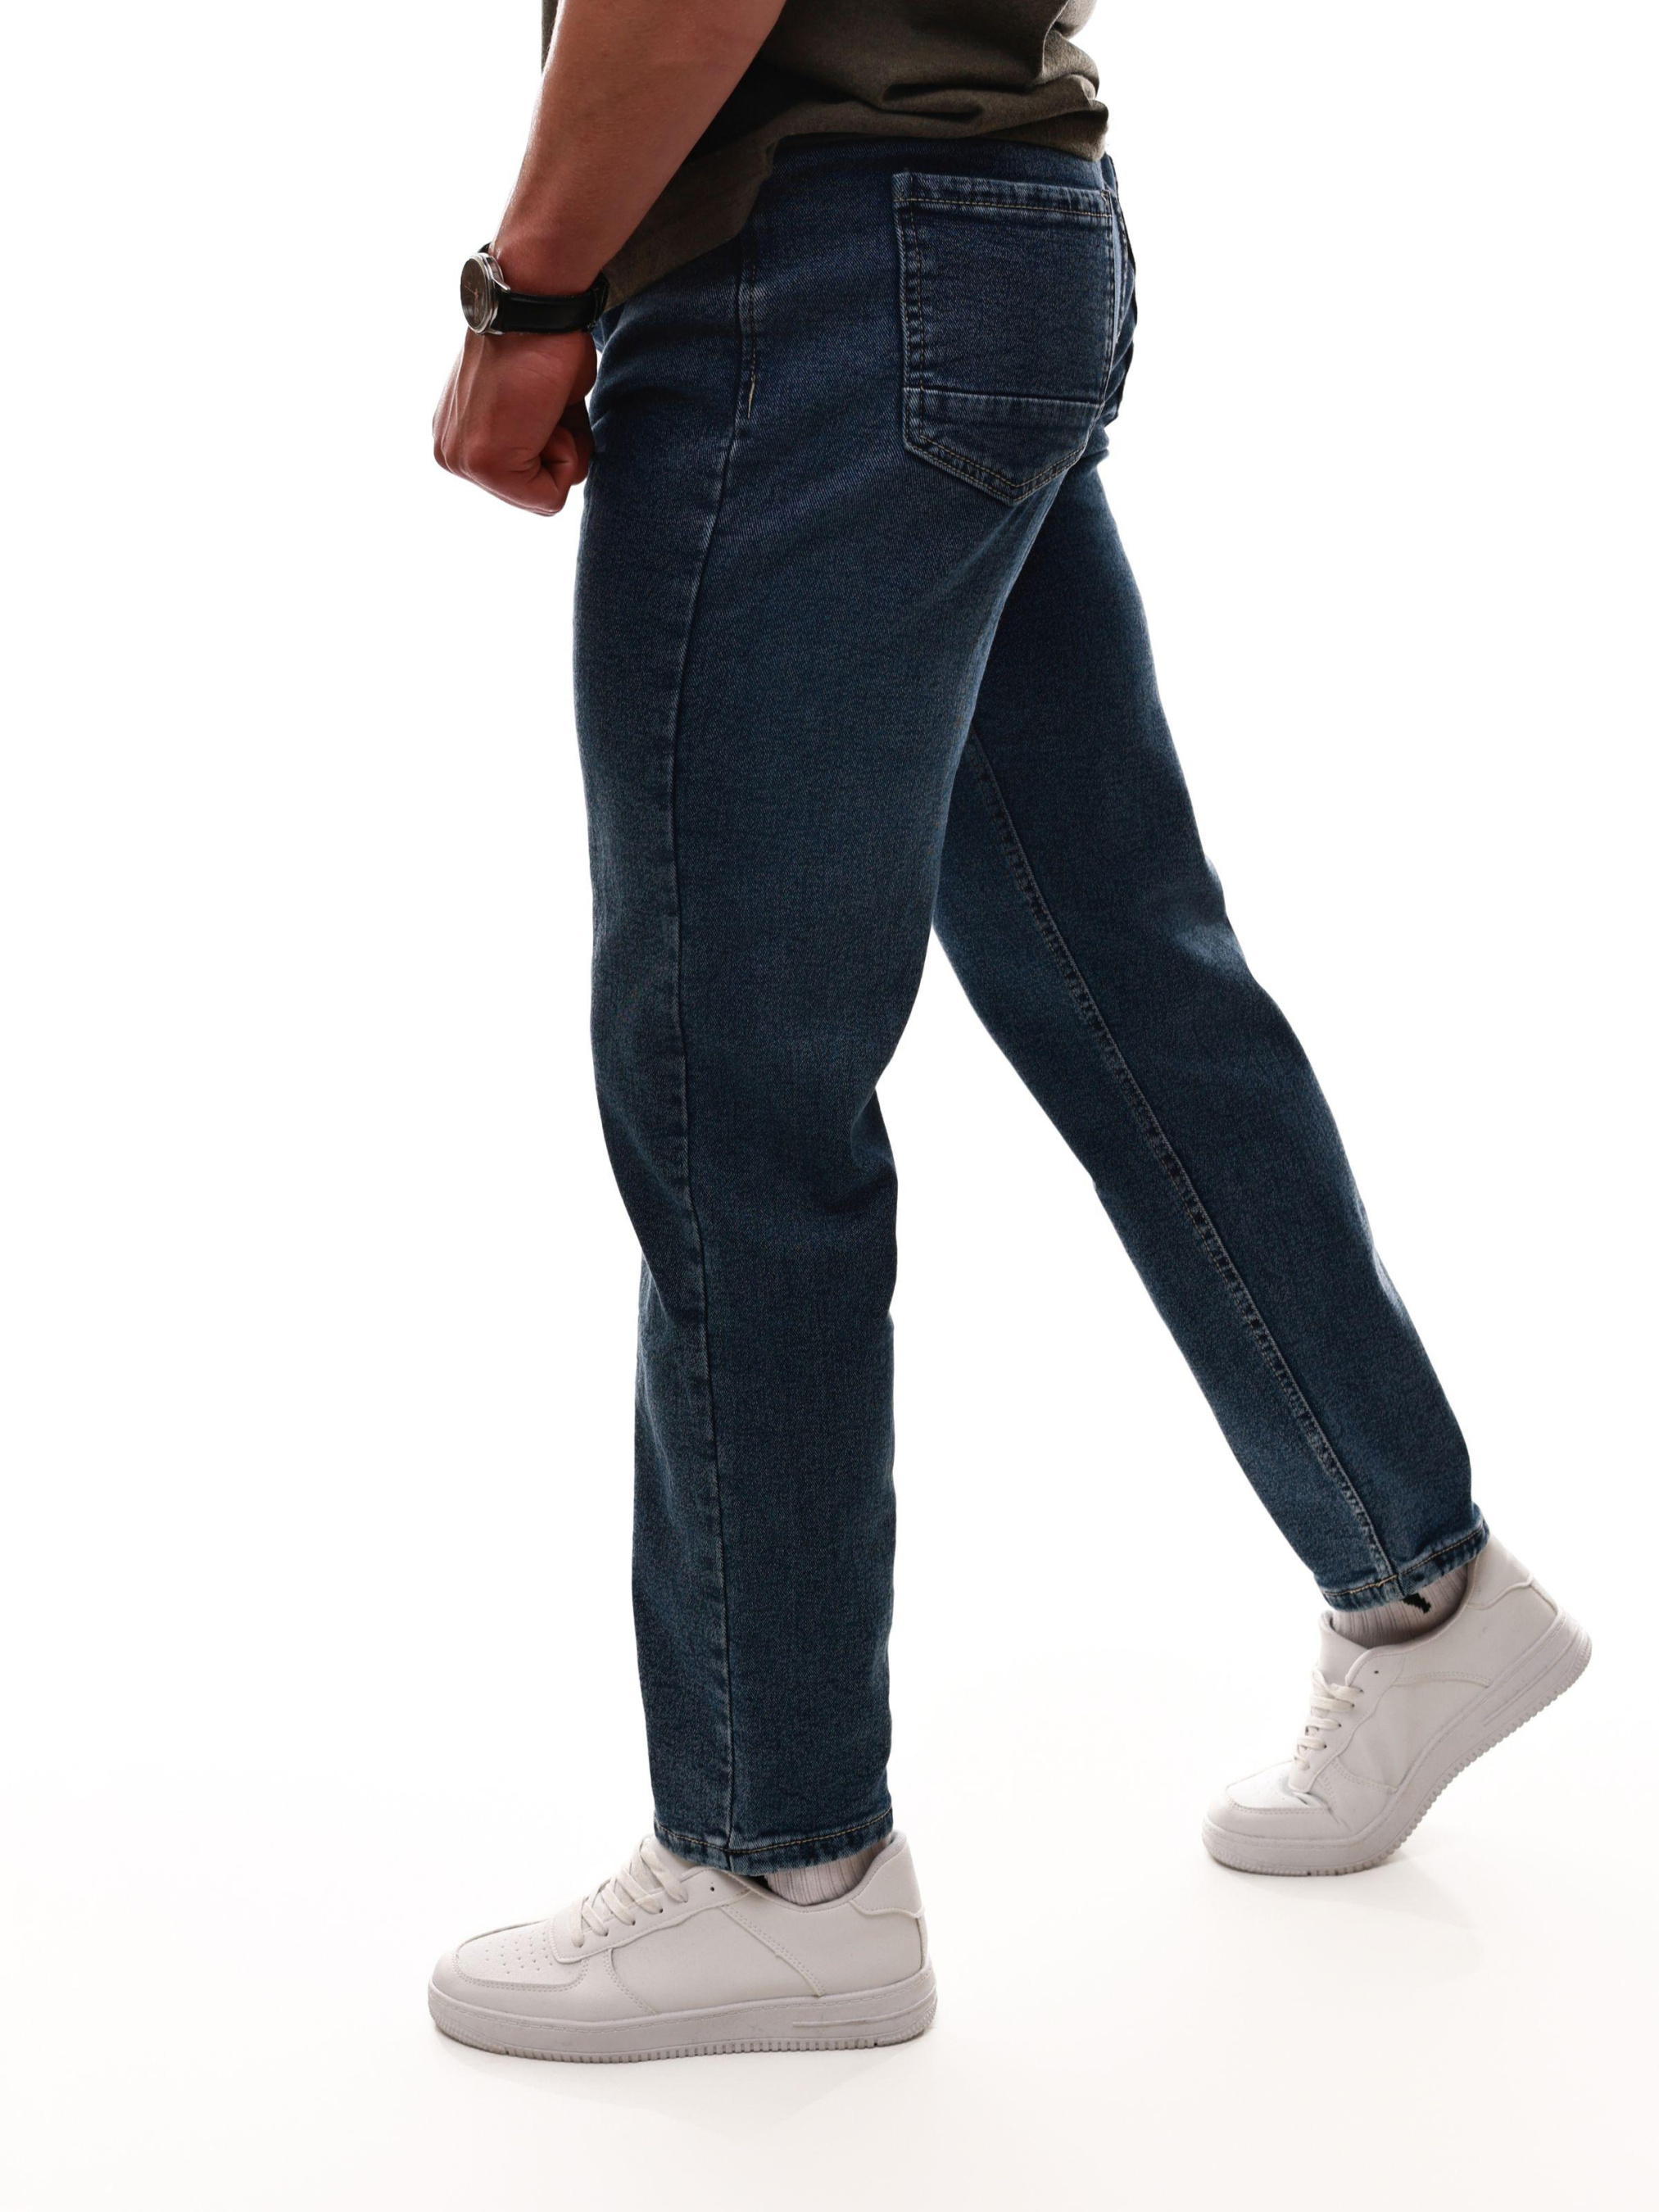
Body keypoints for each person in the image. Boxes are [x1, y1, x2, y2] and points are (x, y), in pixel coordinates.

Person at [427, 1, 1589, 2063]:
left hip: (806, 277)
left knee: (734, 1080)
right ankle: (1420, 1587)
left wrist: (526, 290)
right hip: (997, 233)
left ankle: (778, 1866)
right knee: (1118, 966)